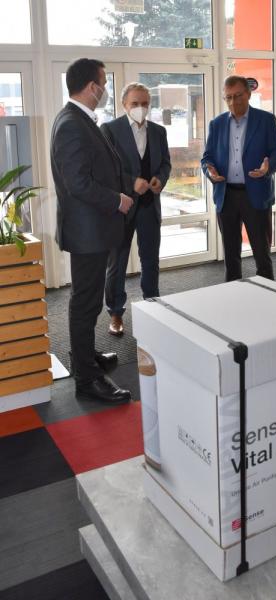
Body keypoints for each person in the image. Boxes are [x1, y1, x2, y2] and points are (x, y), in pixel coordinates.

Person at [50, 58, 133, 403]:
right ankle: (86, 378)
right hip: (88, 233)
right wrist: (117, 200)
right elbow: (78, 183)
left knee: (87, 300)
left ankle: (84, 356)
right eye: (104, 83)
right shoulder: (71, 123)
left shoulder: (79, 119)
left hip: (93, 230)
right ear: (91, 87)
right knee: (85, 303)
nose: (105, 90)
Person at [101, 82, 171, 336]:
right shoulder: (109, 130)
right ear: (124, 105)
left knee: (150, 259)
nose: (140, 108)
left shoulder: (159, 132)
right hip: (121, 207)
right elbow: (105, 169)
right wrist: (132, 182)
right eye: (135, 103)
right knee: (117, 263)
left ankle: (152, 304)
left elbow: (165, 164)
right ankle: (116, 313)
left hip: (150, 205)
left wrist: (160, 179)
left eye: (144, 103)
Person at [201, 75, 276, 281]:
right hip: (226, 195)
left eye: (238, 95)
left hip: (255, 194)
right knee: (230, 255)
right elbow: (207, 157)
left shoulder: (265, 120)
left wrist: (268, 167)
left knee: (261, 253)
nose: (233, 101)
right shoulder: (217, 124)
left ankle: (267, 294)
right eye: (228, 97)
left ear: (248, 94)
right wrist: (209, 171)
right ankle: (232, 295)